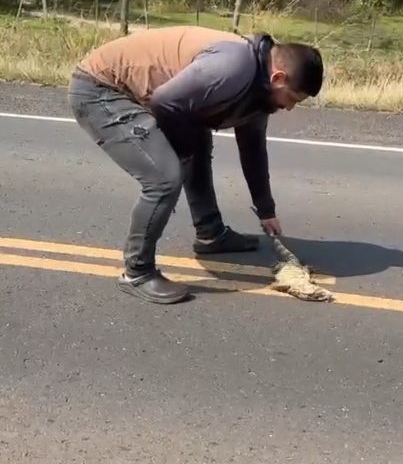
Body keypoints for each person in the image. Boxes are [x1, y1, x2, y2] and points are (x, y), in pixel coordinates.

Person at [67, 25, 324, 305]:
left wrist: (266, 210)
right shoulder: (232, 68)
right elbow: (165, 102)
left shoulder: (260, 91)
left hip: (154, 95)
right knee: (164, 178)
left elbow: (252, 148)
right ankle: (137, 272)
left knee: (197, 140)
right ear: (278, 77)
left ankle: (210, 235)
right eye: (292, 99)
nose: (289, 108)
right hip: (100, 89)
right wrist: (182, 151)